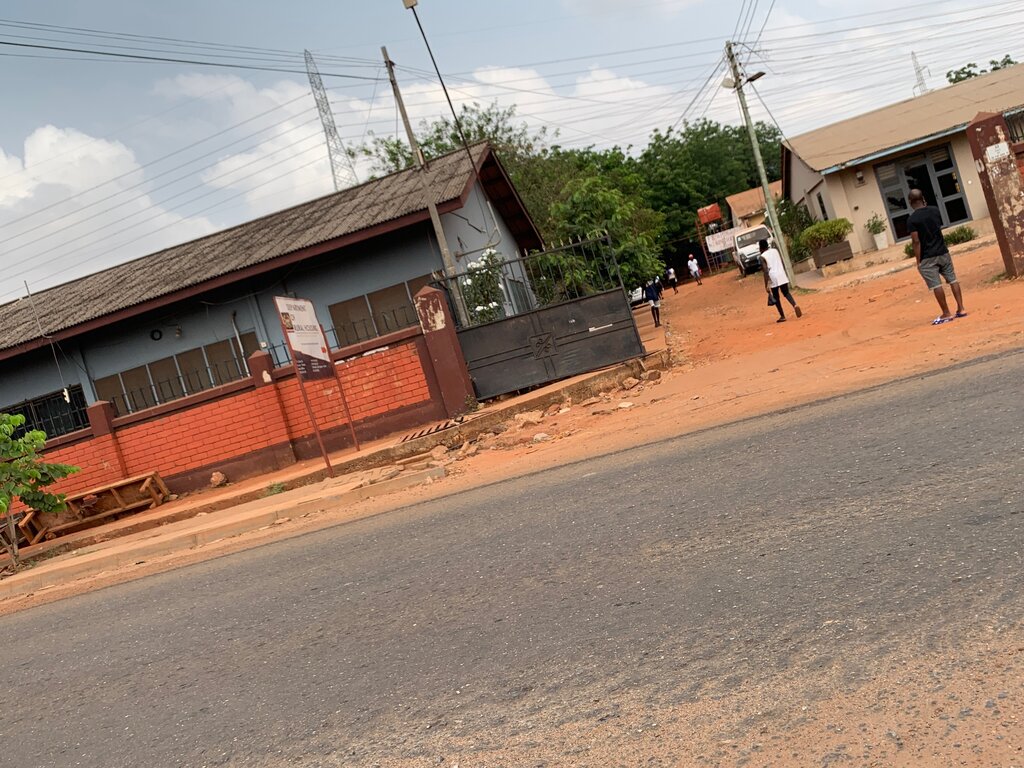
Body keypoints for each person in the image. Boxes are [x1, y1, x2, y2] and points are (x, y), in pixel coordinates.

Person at [908, 188, 966, 325]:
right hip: (943, 252)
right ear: (923, 198)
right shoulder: (935, 210)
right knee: (953, 279)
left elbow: (916, 241)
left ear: (910, 202)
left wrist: (918, 260)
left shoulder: (912, 220)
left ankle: (946, 313)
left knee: (936, 285)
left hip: (927, 257)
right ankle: (961, 308)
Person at [759, 239, 802, 323]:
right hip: (781, 274)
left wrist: (766, 284)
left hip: (773, 276)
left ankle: (782, 316)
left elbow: (765, 271)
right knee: (786, 293)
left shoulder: (762, 257)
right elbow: (781, 261)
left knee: (776, 297)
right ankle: (795, 305)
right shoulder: (775, 251)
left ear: (760, 248)